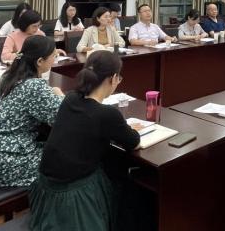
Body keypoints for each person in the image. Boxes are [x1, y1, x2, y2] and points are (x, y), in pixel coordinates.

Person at [29, 51, 142, 230]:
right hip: (76, 200)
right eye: (119, 78)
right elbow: (134, 142)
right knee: (125, 182)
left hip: (45, 192)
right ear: (113, 78)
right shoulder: (107, 114)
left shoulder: (71, 98)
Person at [0, 36, 64, 187]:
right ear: (40, 61)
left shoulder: (8, 77)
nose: (55, 59)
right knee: (70, 157)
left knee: (56, 148)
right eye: (53, 56)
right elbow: (62, 119)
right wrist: (59, 94)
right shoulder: (33, 86)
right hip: (7, 163)